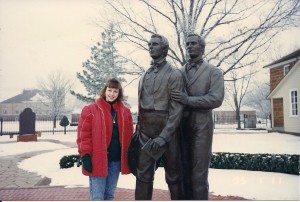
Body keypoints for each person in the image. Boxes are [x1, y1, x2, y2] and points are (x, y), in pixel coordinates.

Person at [171, 34, 225, 200]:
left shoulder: (214, 72)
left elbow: (216, 98)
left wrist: (188, 100)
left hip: (202, 126)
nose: (189, 46)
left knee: (198, 174)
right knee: (182, 171)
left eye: (193, 43)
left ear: (202, 47)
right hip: (181, 126)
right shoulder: (178, 72)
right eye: (187, 44)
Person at [134, 33, 184, 200]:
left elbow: (177, 110)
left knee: (173, 176)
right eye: (149, 44)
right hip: (145, 132)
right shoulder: (144, 75)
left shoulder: (174, 74)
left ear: (164, 49)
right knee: (143, 175)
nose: (150, 46)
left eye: (154, 44)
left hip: (167, 131)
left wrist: (164, 136)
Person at [76, 78, 134, 200]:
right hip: (97, 161)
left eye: (115, 91)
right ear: (105, 90)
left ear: (119, 94)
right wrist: (85, 156)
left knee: (109, 195)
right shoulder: (91, 110)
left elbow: (130, 137)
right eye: (109, 90)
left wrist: (132, 156)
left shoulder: (125, 112)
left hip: (115, 162)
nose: (111, 94)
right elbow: (83, 135)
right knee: (97, 197)